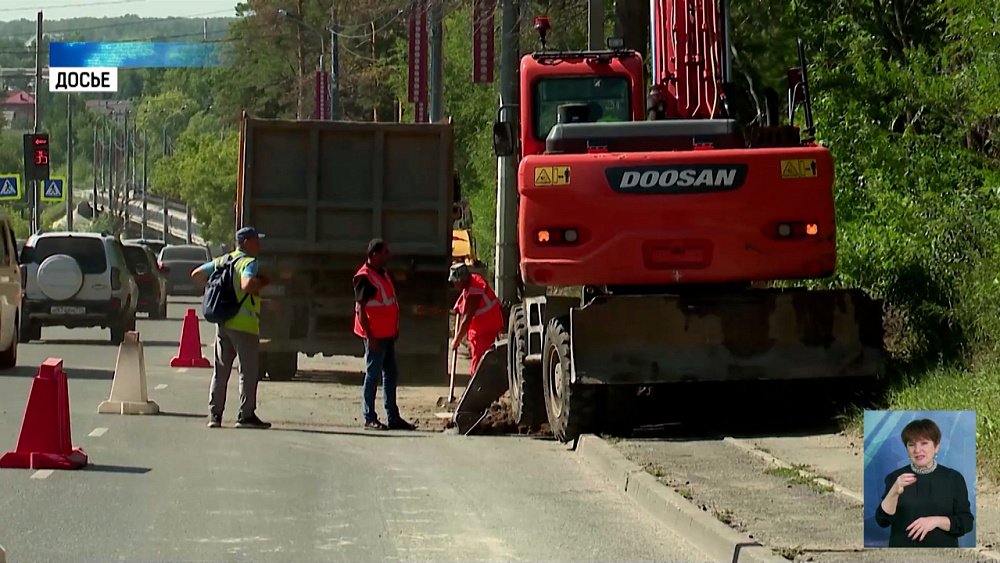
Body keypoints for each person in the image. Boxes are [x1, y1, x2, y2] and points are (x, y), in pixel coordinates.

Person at [191, 227, 271, 430]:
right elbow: (246, 285)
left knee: (221, 370)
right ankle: (245, 416)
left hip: (224, 323)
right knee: (248, 371)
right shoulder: (249, 262)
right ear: (244, 242)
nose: (259, 244)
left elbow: (197, 274)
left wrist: (212, 291)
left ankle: (215, 415)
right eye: (255, 240)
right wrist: (261, 282)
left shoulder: (222, 260)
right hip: (244, 326)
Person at [875, 418, 974, 547]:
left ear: (936, 446)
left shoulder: (953, 478)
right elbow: (882, 521)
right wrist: (894, 492)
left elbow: (966, 522)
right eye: (911, 444)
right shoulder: (896, 478)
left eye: (924, 443)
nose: (917, 450)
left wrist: (936, 521)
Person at [353, 238, 416, 431]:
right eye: (385, 252)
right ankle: (369, 417)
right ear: (374, 255)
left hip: (387, 335)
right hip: (375, 337)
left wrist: (394, 329)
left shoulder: (382, 274)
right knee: (372, 375)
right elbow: (360, 309)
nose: (388, 255)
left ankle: (393, 417)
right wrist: (370, 337)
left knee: (390, 374)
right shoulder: (364, 277)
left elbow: (389, 303)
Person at [448, 263, 503, 376]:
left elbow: (467, 318)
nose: (454, 284)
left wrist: (456, 340)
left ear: (461, 280)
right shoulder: (470, 283)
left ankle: (476, 388)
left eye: (455, 281)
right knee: (477, 357)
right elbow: (464, 297)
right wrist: (458, 306)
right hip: (480, 327)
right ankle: (476, 386)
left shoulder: (475, 289)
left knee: (479, 361)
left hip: (487, 326)